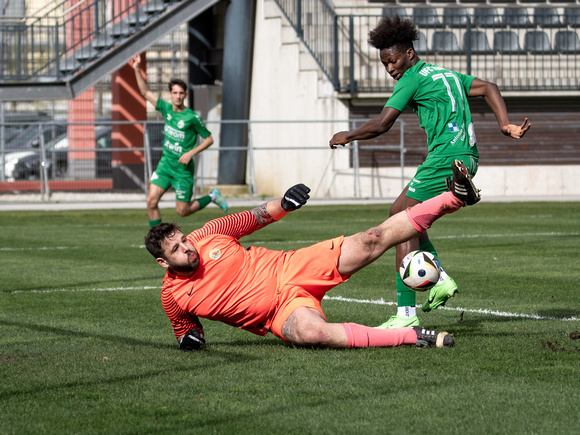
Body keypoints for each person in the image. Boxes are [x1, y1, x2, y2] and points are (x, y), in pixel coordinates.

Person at [145, 160, 480, 351]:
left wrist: (284, 203)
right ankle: (409, 335)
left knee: (372, 239)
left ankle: (455, 197)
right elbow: (186, 330)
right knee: (313, 335)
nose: (188, 248)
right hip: (279, 313)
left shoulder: (207, 234)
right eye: (177, 249)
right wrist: (190, 340)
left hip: (291, 268)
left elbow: (254, 216)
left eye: (184, 240)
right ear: (163, 262)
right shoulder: (172, 297)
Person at [329, 15, 531, 329]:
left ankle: (406, 315)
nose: (390, 68)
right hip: (467, 155)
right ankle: (440, 276)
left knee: (400, 223)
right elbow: (489, 87)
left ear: (409, 53)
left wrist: (349, 134)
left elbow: (382, 124)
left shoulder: (411, 78)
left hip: (445, 157)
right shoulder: (447, 75)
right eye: (385, 64)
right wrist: (504, 123)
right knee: (403, 213)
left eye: (393, 60)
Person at [131, 53, 228, 228]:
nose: (177, 96)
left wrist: (191, 153)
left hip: (183, 171)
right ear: (170, 94)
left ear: (184, 95)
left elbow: (209, 139)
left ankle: (212, 196)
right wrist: (137, 68)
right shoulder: (166, 108)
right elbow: (145, 92)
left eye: (181, 93)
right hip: (166, 165)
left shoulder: (191, 117)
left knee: (182, 211)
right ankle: (157, 241)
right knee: (151, 201)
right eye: (174, 92)